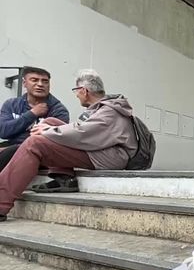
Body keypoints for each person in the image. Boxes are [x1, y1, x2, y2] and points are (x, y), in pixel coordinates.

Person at [0, 69, 138, 222]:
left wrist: (49, 132)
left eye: (76, 91)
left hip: (111, 157)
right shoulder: (103, 108)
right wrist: (50, 127)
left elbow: (83, 134)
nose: (76, 95)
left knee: (35, 143)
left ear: (84, 91)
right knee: (50, 122)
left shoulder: (108, 111)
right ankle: (65, 178)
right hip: (103, 151)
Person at [0, 66, 69, 171]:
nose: (40, 84)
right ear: (24, 83)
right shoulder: (11, 104)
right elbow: (3, 131)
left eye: (45, 81)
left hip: (40, 153)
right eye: (34, 80)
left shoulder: (59, 110)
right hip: (11, 150)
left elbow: (51, 141)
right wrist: (32, 114)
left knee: (13, 151)